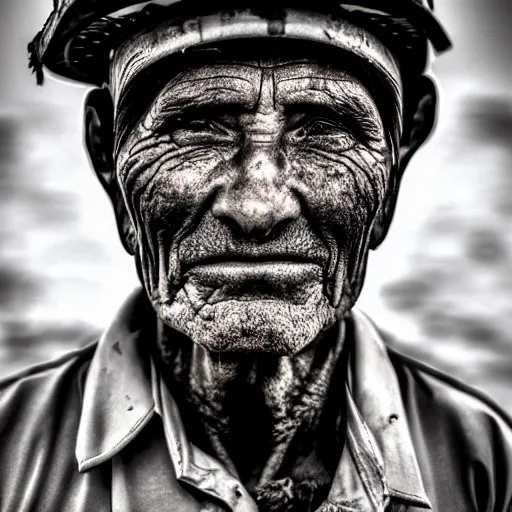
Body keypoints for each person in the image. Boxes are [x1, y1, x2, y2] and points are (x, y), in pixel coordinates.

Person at [1, 1, 511, 510]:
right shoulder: (9, 459)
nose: (259, 207)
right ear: (108, 156)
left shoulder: (487, 468)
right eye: (198, 125)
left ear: (397, 157)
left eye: (323, 127)